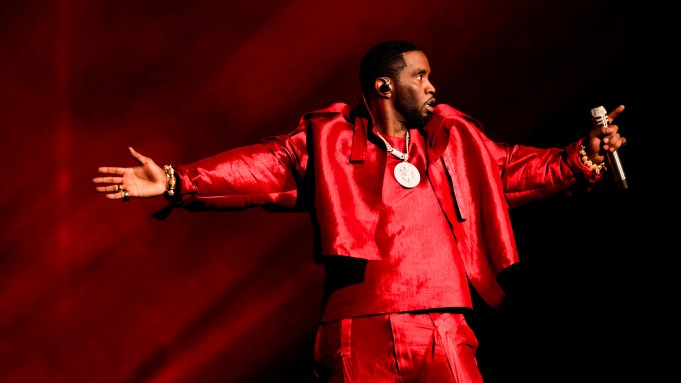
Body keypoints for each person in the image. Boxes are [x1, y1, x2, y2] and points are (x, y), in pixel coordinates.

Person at [93, 40, 626, 382]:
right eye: (421, 75)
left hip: (444, 325)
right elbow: (262, 168)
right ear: (384, 86)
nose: (433, 86)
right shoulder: (327, 143)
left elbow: (512, 168)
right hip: (357, 331)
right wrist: (175, 180)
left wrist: (581, 157)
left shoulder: (453, 142)